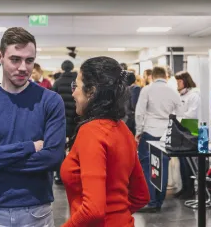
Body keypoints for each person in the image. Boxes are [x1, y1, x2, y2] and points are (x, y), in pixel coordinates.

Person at [0, 27, 66, 227]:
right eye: (15, 59)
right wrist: (29, 148)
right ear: (0, 57)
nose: (23, 67)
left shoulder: (51, 101)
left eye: (29, 60)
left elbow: (53, 158)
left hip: (36, 210)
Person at [61, 56, 149, 227]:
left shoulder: (91, 132)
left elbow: (93, 211)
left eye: (76, 86)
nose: (73, 92)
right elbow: (141, 196)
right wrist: (116, 216)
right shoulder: (123, 130)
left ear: (91, 91)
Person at [135, 66, 181, 213]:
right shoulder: (173, 92)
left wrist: (138, 131)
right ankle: (159, 201)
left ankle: (151, 201)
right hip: (166, 134)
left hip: (149, 131)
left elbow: (140, 112)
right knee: (163, 165)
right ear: (166, 76)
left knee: (148, 166)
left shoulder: (147, 90)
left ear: (152, 76)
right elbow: (181, 114)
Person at [173, 71, 201, 199]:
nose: (177, 84)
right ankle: (184, 188)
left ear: (185, 81)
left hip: (191, 130)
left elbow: (192, 115)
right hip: (182, 131)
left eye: (179, 81)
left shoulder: (194, 95)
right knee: (182, 161)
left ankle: (190, 189)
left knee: (189, 162)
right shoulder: (180, 95)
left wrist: (178, 117)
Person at [52, 60, 77, 185]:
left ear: (62, 68)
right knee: (74, 147)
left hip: (61, 119)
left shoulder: (57, 82)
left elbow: (53, 101)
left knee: (60, 147)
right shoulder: (76, 82)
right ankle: (74, 173)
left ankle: (60, 175)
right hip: (75, 119)